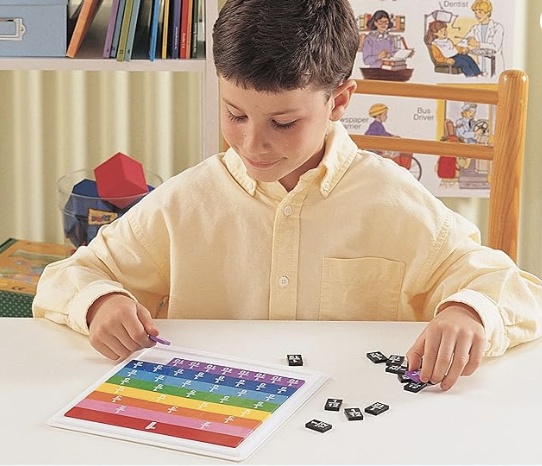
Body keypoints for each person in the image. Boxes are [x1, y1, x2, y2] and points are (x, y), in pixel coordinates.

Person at [33, 0, 542, 392]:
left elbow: (513, 287)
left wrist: (467, 312)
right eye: (235, 114)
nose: (254, 143)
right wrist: (102, 303)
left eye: (284, 122)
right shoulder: (186, 202)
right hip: (220, 413)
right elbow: (69, 276)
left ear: (340, 100)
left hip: (355, 424)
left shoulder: (392, 200)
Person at [459, 0, 505, 77]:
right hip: (481, 68)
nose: (477, 15)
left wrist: (478, 44)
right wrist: (464, 47)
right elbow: (463, 41)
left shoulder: (497, 27)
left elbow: (495, 47)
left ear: (488, 13)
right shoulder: (475, 28)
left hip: (495, 67)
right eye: (475, 13)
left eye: (480, 12)